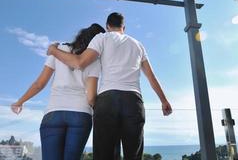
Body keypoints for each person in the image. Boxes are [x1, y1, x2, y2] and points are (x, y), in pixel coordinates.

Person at [47, 12, 172, 160]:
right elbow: (151, 76)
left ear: (107, 26)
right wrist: (164, 100)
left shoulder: (102, 38)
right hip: (133, 101)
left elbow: (79, 62)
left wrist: (54, 51)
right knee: (133, 156)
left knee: (104, 156)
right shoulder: (138, 45)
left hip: (107, 101)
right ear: (123, 27)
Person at [11, 23, 106, 160]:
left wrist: (20, 102)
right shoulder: (95, 61)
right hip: (81, 114)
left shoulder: (59, 49)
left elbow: (39, 84)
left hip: (53, 113)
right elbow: (91, 97)